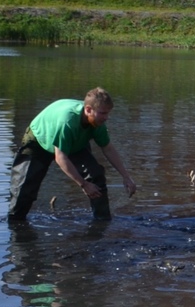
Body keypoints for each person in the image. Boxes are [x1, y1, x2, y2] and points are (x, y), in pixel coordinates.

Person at [8, 87, 137, 222]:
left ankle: (102, 221)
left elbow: (108, 149)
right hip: (39, 141)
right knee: (24, 190)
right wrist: (83, 184)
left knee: (95, 176)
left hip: (75, 143)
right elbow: (60, 157)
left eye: (108, 113)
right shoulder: (67, 122)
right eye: (103, 113)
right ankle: (15, 225)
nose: (106, 118)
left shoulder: (97, 123)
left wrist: (126, 177)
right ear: (88, 110)